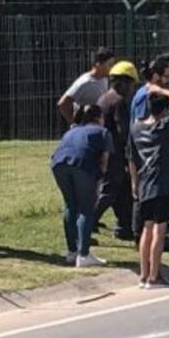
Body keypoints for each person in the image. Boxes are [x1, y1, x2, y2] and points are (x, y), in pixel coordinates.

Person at [129, 92, 169, 287]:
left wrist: (135, 183)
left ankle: (143, 274)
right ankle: (154, 276)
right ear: (165, 110)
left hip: (144, 182)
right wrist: (161, 89)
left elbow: (131, 158)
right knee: (160, 230)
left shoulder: (136, 128)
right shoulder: (163, 126)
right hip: (162, 182)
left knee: (147, 227)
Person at [51, 104, 112, 267]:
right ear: (99, 118)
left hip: (58, 164)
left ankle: (72, 252)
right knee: (86, 208)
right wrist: (99, 182)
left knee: (70, 205)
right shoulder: (103, 132)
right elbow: (104, 162)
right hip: (81, 165)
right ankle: (83, 254)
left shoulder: (72, 130)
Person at [94, 61, 140, 240]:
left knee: (122, 191)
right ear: (123, 83)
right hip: (115, 153)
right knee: (109, 191)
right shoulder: (119, 101)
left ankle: (124, 226)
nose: (133, 89)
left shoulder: (104, 98)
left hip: (105, 149)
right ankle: (87, 222)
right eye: (132, 85)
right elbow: (123, 131)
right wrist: (130, 155)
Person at [57, 47, 115, 127]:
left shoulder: (105, 79)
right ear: (98, 64)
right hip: (85, 126)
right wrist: (73, 123)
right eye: (109, 65)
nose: (112, 68)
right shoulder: (84, 82)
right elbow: (62, 103)